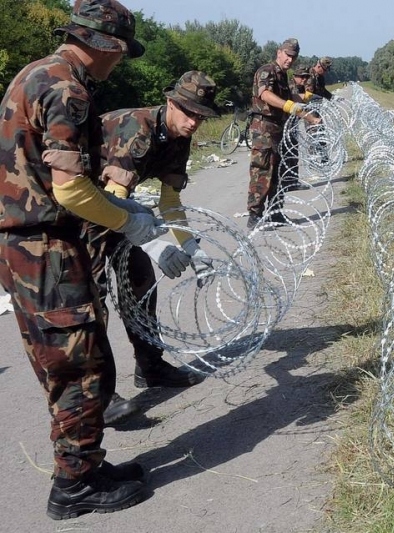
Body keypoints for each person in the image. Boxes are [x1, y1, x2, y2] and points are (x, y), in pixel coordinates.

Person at [0, 0, 163, 520]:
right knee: (78, 364)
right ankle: (74, 485)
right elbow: (70, 190)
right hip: (43, 246)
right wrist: (129, 222)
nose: (120, 63)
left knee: (72, 357)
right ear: (104, 45)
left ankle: (86, 463)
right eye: (121, 52)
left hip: (29, 245)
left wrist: (118, 202)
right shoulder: (68, 88)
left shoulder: (35, 73)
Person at [87, 71, 220, 425]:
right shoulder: (138, 128)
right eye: (188, 112)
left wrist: (189, 245)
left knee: (141, 286)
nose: (194, 122)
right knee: (93, 301)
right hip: (85, 211)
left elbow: (170, 199)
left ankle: (151, 367)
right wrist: (154, 242)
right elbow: (113, 199)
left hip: (121, 207)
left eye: (200, 116)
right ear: (170, 103)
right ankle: (99, 396)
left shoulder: (178, 135)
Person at [247, 38, 320, 230]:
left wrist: (305, 98)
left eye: (293, 57)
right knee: (262, 170)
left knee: (279, 171)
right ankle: (254, 214)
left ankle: (275, 212)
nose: (290, 60)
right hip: (264, 128)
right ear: (279, 52)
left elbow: (287, 98)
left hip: (279, 128)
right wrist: (291, 106)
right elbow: (266, 95)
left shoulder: (282, 76)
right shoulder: (267, 71)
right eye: (287, 55)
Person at [282, 65, 313, 191]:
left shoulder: (300, 87)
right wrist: (309, 117)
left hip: (293, 123)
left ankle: (291, 181)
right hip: (287, 123)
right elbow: (294, 107)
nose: (304, 79)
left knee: (293, 151)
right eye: (302, 77)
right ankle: (287, 181)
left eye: (306, 77)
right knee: (288, 152)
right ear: (295, 76)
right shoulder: (291, 87)